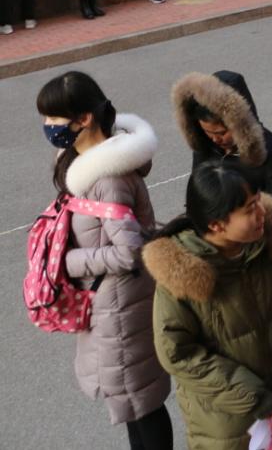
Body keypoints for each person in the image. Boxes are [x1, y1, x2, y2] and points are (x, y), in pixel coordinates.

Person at [143, 163, 272, 450]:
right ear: (217, 224)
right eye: (250, 209)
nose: (262, 212)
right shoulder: (181, 276)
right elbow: (177, 353)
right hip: (229, 425)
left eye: (258, 200)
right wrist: (252, 395)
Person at [36, 72, 172, 450]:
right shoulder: (86, 165)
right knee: (132, 401)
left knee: (141, 403)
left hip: (121, 305)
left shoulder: (107, 179)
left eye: (55, 118)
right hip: (113, 302)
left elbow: (128, 251)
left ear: (84, 119)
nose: (48, 126)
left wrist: (66, 261)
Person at [171, 70, 272, 223]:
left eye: (222, 133)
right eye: (208, 132)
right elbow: (198, 197)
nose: (215, 139)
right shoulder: (205, 146)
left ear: (240, 125)